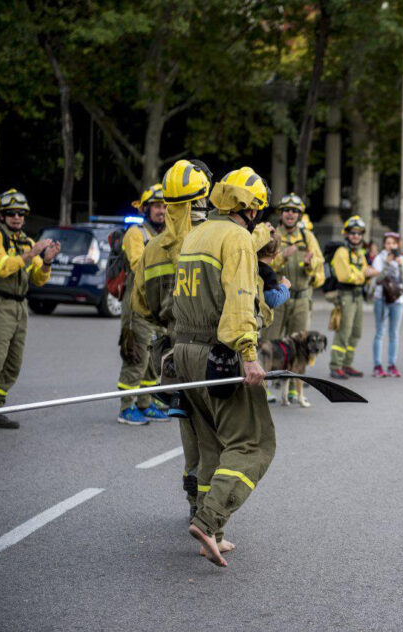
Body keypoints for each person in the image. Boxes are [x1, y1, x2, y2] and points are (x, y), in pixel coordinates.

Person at [171, 165, 273, 567]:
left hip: (184, 352)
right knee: (252, 443)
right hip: (221, 355)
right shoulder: (238, 238)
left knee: (211, 444)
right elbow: (239, 303)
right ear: (248, 208)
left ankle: (211, 534)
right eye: (258, 210)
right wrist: (248, 355)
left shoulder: (196, 234)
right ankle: (209, 519)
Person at [132, 158, 213, 514]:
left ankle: (194, 500)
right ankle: (208, 513)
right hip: (213, 353)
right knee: (216, 439)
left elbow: (142, 305)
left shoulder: (153, 248)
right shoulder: (215, 239)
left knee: (191, 437)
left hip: (173, 354)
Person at [0, 189, 59, 429]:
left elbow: (38, 279)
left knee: (13, 363)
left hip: (20, 306)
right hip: (0, 304)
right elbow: (1, 267)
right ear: (1, 216)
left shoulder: (27, 241)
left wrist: (47, 261)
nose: (16, 218)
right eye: (11, 213)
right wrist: (31, 254)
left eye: (21, 214)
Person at [116, 184, 169, 425]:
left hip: (159, 306)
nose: (162, 211)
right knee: (136, 355)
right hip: (138, 305)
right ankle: (126, 408)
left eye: (166, 206)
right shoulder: (136, 233)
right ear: (146, 208)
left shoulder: (167, 234)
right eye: (157, 206)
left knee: (154, 356)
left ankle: (145, 403)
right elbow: (138, 265)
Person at [267, 193, 324, 403]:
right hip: (277, 296)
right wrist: (283, 256)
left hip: (301, 297)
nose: (290, 214)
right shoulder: (272, 233)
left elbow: (319, 259)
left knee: (298, 345)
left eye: (294, 211)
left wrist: (311, 263)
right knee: (271, 342)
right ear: (281, 214)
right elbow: (262, 263)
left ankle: (292, 387)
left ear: (299, 215)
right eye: (287, 210)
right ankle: (265, 385)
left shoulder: (307, 236)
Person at [329, 215, 378, 378]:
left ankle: (347, 364)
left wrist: (368, 274)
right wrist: (364, 274)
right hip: (346, 296)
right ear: (346, 234)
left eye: (359, 233)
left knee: (356, 332)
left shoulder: (359, 253)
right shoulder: (342, 252)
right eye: (352, 232)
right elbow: (344, 276)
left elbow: (363, 272)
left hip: (357, 296)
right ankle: (336, 366)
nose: (356, 236)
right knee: (344, 331)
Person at [371, 232, 403, 377]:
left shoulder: (402, 260)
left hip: (397, 300)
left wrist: (399, 265)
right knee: (380, 332)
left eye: (393, 243)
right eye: (388, 243)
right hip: (381, 298)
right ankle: (377, 365)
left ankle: (392, 364)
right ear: (384, 245)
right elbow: (378, 279)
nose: (390, 246)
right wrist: (387, 264)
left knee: (394, 333)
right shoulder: (379, 259)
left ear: (397, 245)